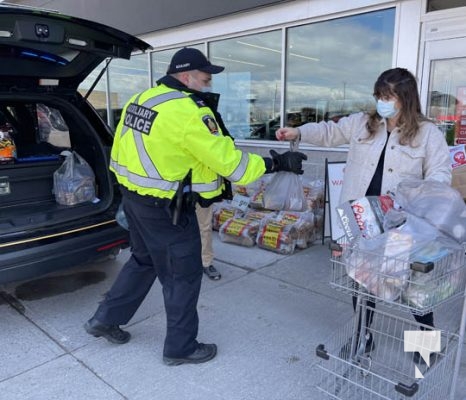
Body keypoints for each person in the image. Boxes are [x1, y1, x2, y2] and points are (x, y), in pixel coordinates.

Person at [84, 47, 307, 366]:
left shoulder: (142, 100)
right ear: (185, 76)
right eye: (203, 79)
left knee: (144, 260)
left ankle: (105, 319)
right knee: (183, 276)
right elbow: (232, 165)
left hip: (135, 199)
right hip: (168, 208)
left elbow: (120, 148)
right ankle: (181, 347)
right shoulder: (189, 112)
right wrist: (277, 163)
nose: (206, 85)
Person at [276, 67, 451, 361]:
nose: (382, 102)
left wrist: (421, 198)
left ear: (405, 98)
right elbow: (331, 132)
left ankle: (426, 347)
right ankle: (363, 336)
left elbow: (440, 174)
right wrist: (299, 131)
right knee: (361, 280)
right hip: (360, 219)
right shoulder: (363, 123)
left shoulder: (427, 133)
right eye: (379, 95)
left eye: (389, 96)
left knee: (415, 287)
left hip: (401, 223)